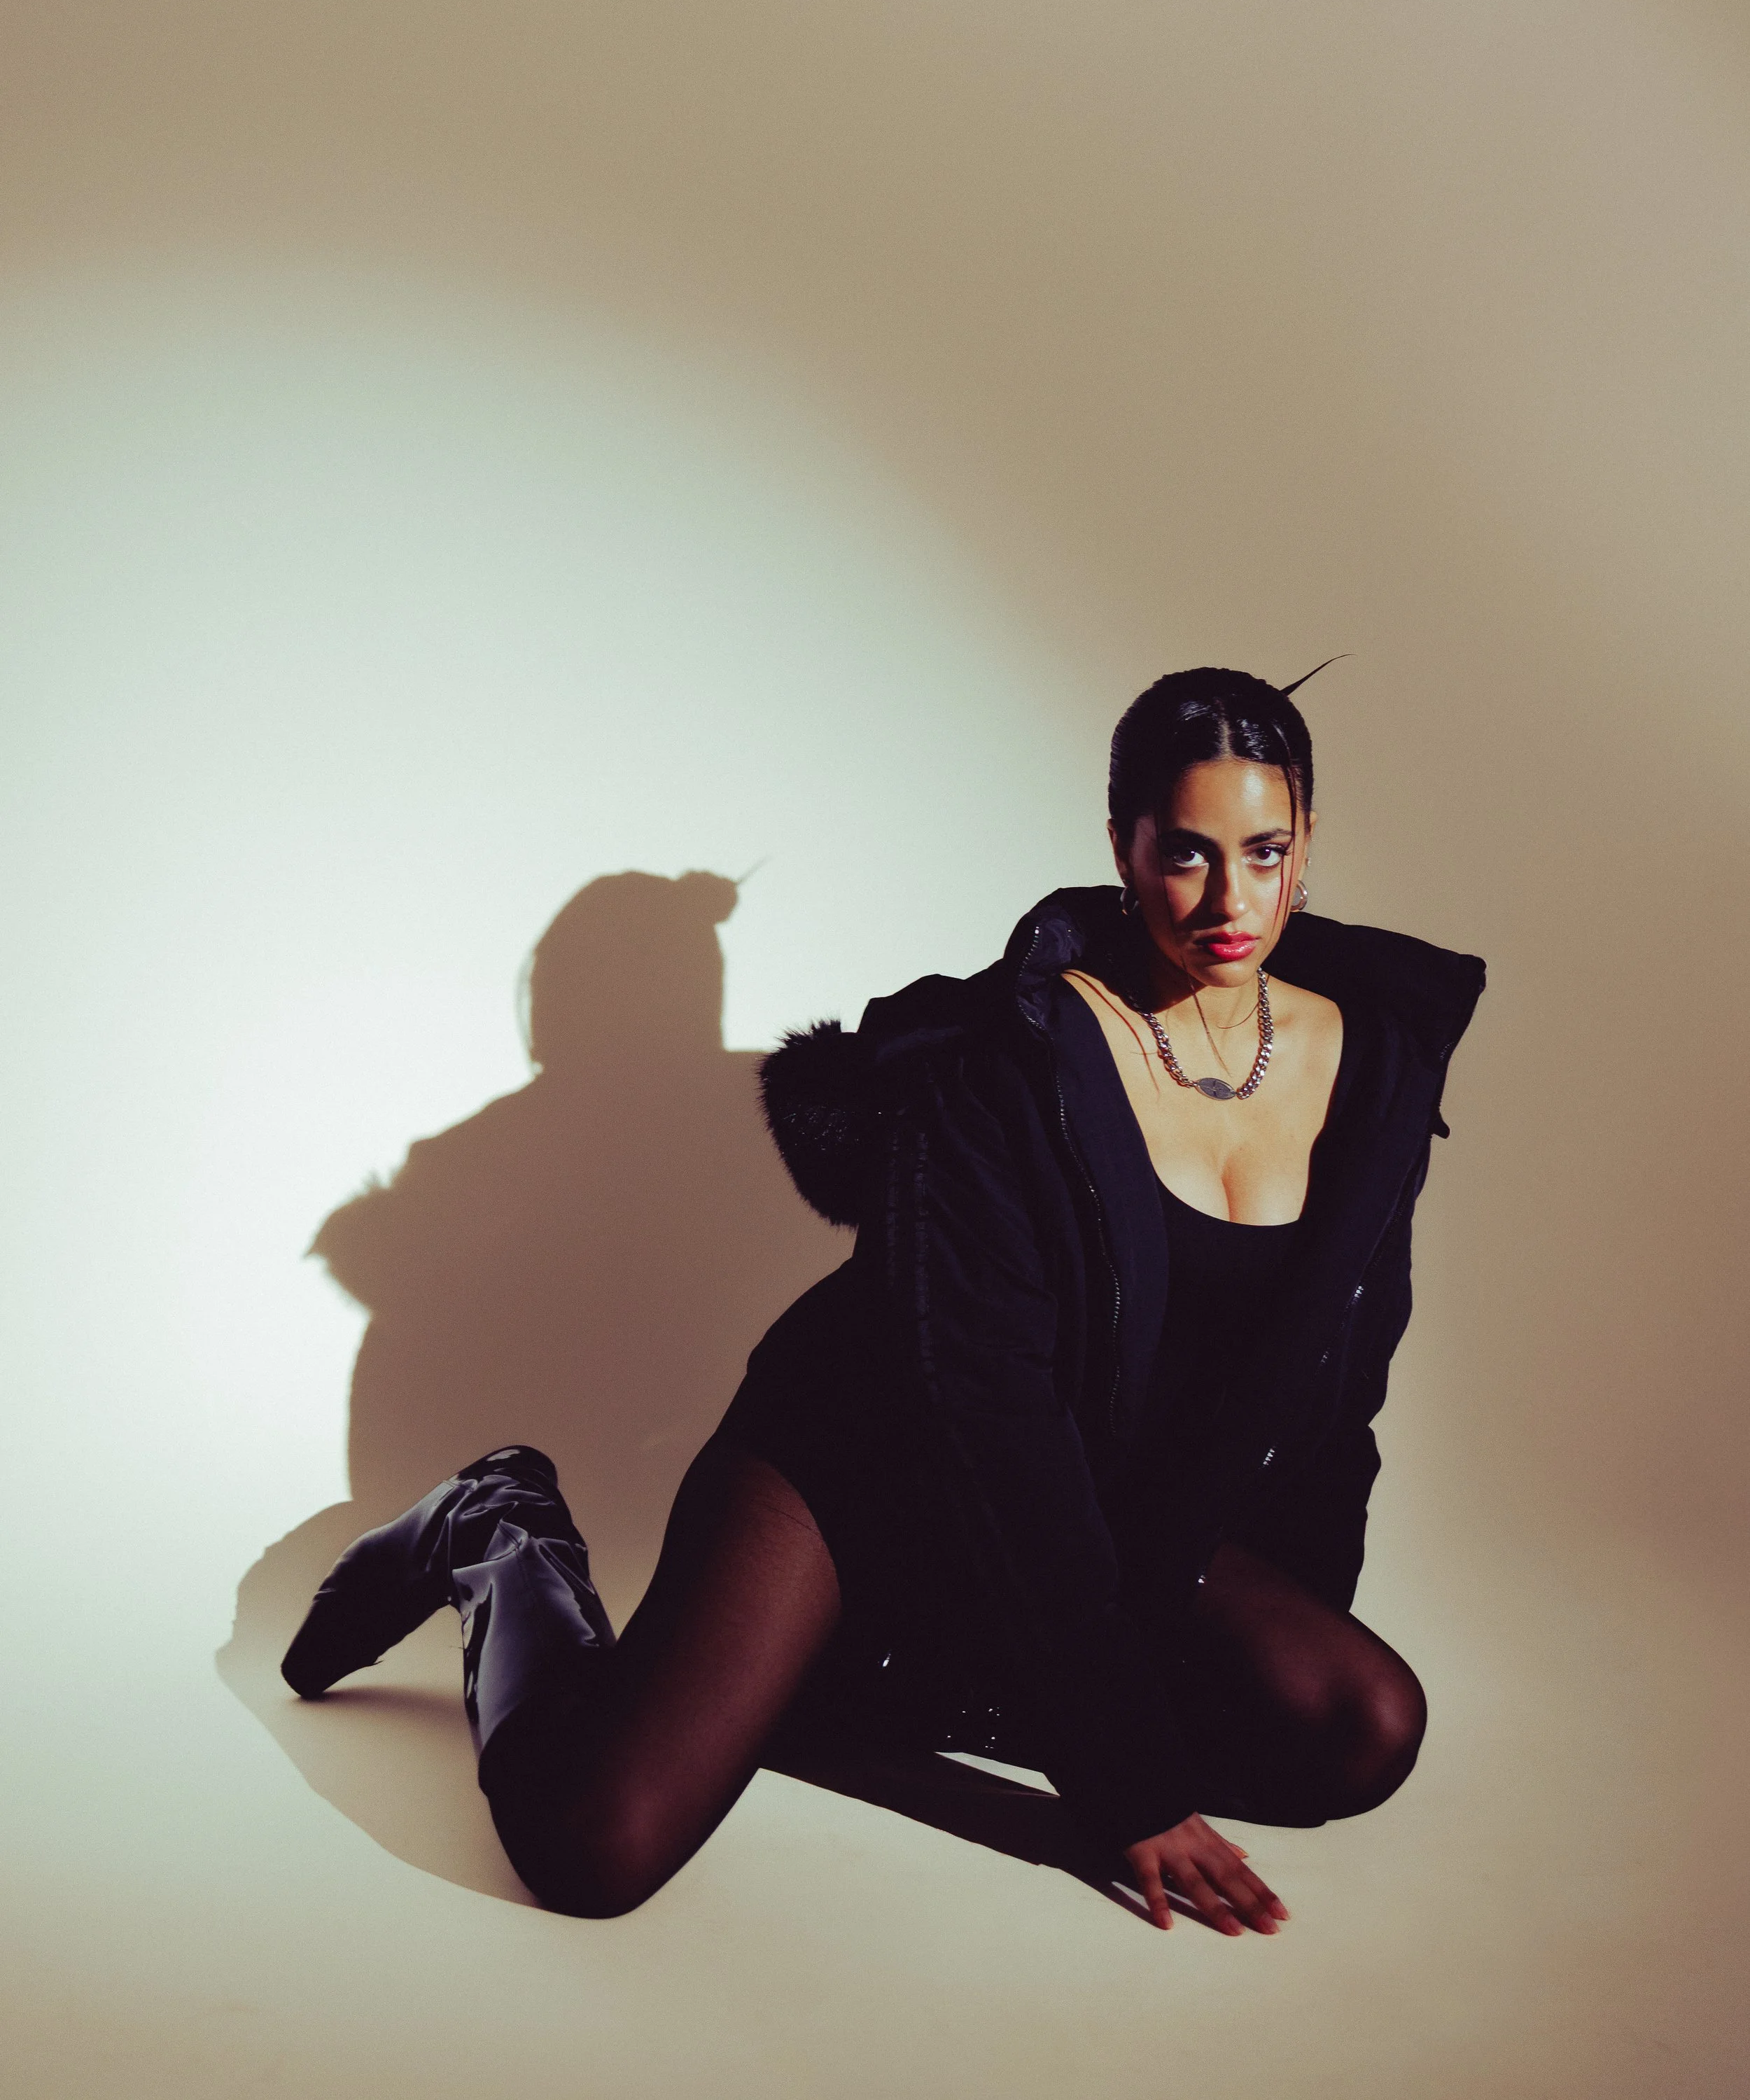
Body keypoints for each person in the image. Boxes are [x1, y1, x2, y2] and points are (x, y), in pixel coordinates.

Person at [281, 665, 1484, 1935]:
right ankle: (499, 1525)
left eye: (1265, 851)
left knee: (1358, 1727)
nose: (1231, 901)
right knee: (598, 1843)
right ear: (1123, 847)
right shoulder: (1003, 1066)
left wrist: (1269, 1619)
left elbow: (1338, 1390)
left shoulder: (1375, 1062)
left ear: (1305, 844)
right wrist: (1124, 1778)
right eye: (1187, 854)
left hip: (1103, 1499)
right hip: (873, 1455)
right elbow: (996, 1428)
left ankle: (905, 1675)